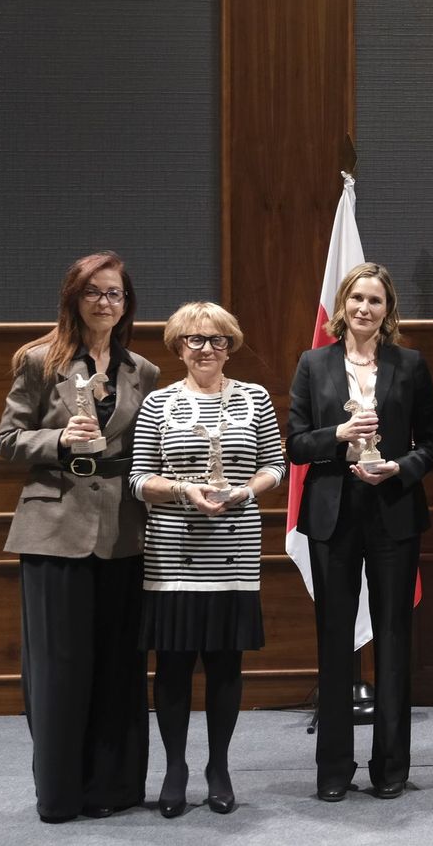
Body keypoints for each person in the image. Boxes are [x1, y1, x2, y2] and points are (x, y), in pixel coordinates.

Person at [0, 251, 160, 823]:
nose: (104, 303)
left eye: (114, 294)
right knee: (59, 666)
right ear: (74, 298)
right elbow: (8, 440)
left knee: (120, 664)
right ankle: (61, 795)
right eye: (94, 292)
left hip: (122, 532)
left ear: (126, 304)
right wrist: (59, 439)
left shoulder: (143, 370)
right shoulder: (39, 361)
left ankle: (112, 788)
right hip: (53, 527)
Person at [287, 262, 433, 802]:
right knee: (334, 641)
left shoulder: (411, 364)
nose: (364, 308)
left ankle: (390, 767)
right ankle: (333, 769)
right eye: (356, 298)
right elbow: (296, 444)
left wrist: (401, 467)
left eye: (375, 300)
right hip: (333, 510)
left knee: (393, 640)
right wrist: (340, 434)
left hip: (394, 506)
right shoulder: (313, 363)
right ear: (343, 305)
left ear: (387, 309)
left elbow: (432, 442)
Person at [129, 303, 284, 818]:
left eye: (217, 340)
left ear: (230, 346)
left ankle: (219, 766)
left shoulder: (254, 397)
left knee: (225, 665)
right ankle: (175, 768)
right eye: (195, 340)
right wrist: (184, 489)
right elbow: (138, 479)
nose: (206, 349)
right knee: (172, 666)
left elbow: (275, 465)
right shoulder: (157, 403)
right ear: (178, 346)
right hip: (172, 553)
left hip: (234, 549)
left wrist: (242, 490)